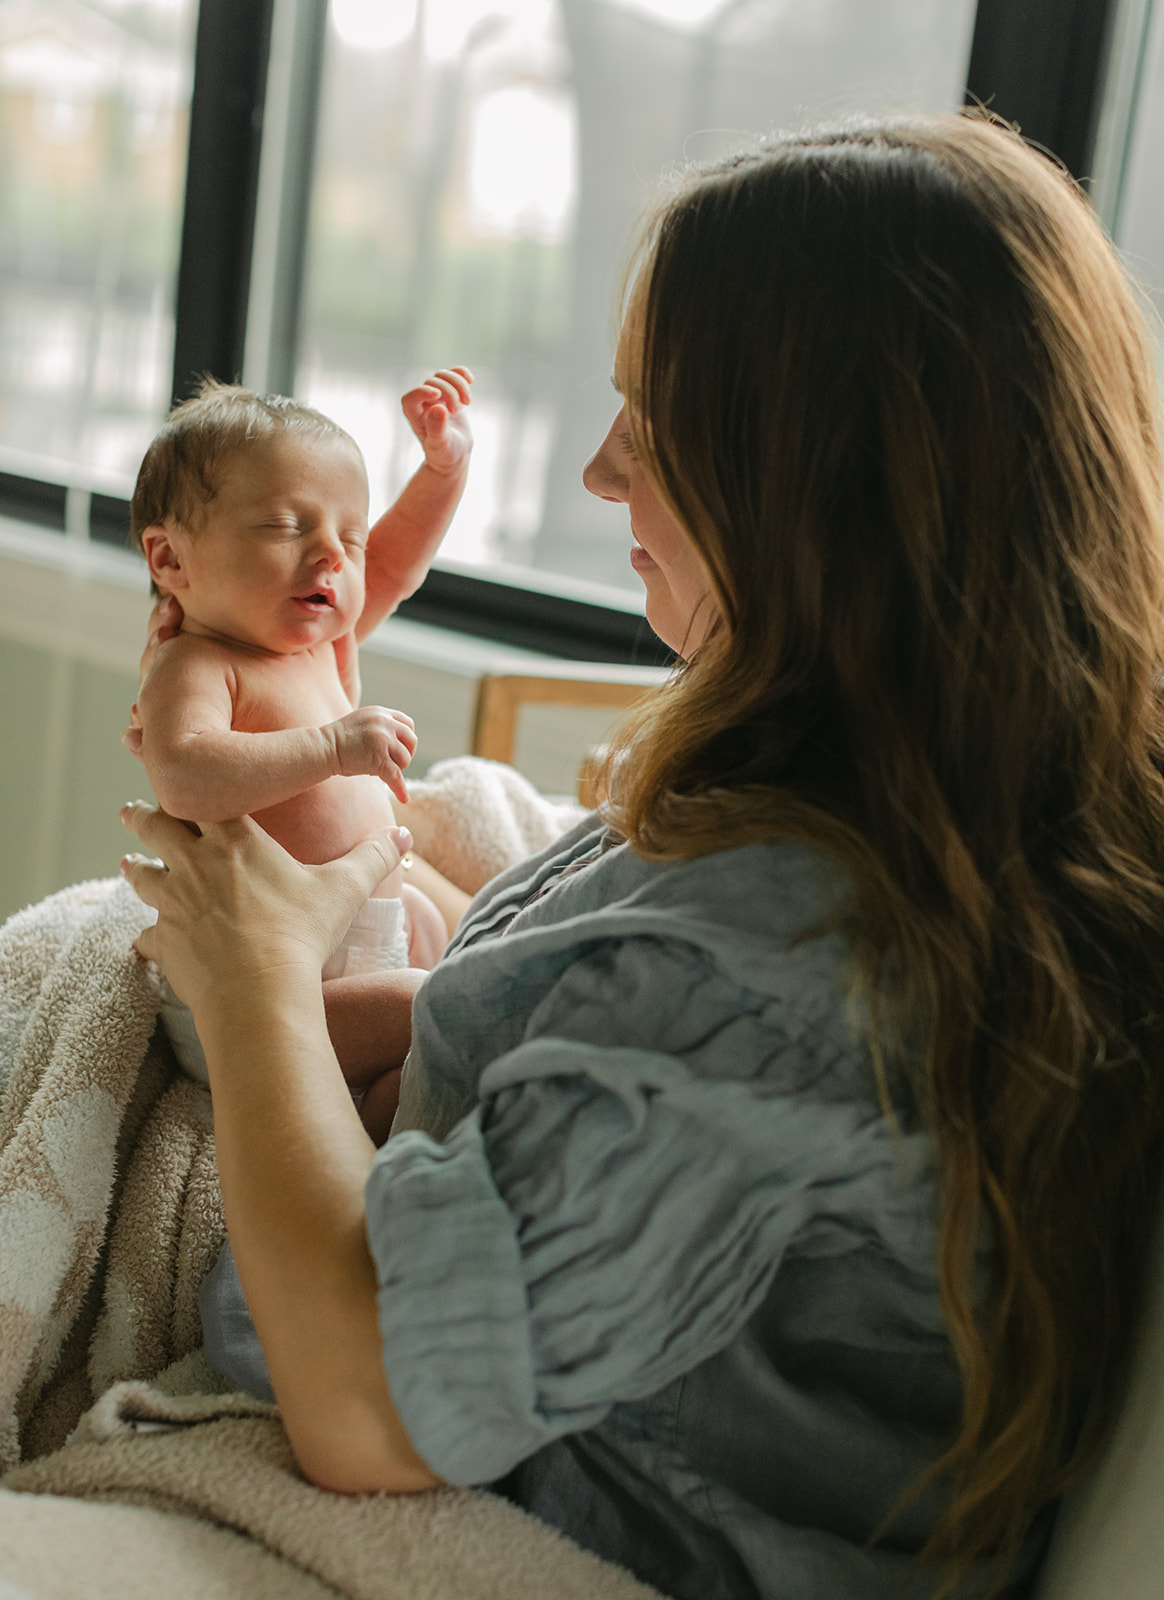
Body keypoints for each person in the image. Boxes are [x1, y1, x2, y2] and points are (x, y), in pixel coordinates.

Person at [119, 110, 1164, 1600]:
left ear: (825, 498)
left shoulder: (788, 969)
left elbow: (368, 1401)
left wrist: (258, 979)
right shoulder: (872, 780)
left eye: (654, 430)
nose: (604, 474)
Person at [128, 372, 473, 1139]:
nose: (333, 556)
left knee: (461, 954)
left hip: (363, 941)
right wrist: (331, 746)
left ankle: (389, 1115)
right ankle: (374, 1133)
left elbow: (393, 567)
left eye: (350, 537)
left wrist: (444, 470)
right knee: (438, 1004)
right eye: (288, 527)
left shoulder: (321, 642)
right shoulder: (196, 663)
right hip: (255, 991)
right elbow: (183, 773)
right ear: (171, 559)